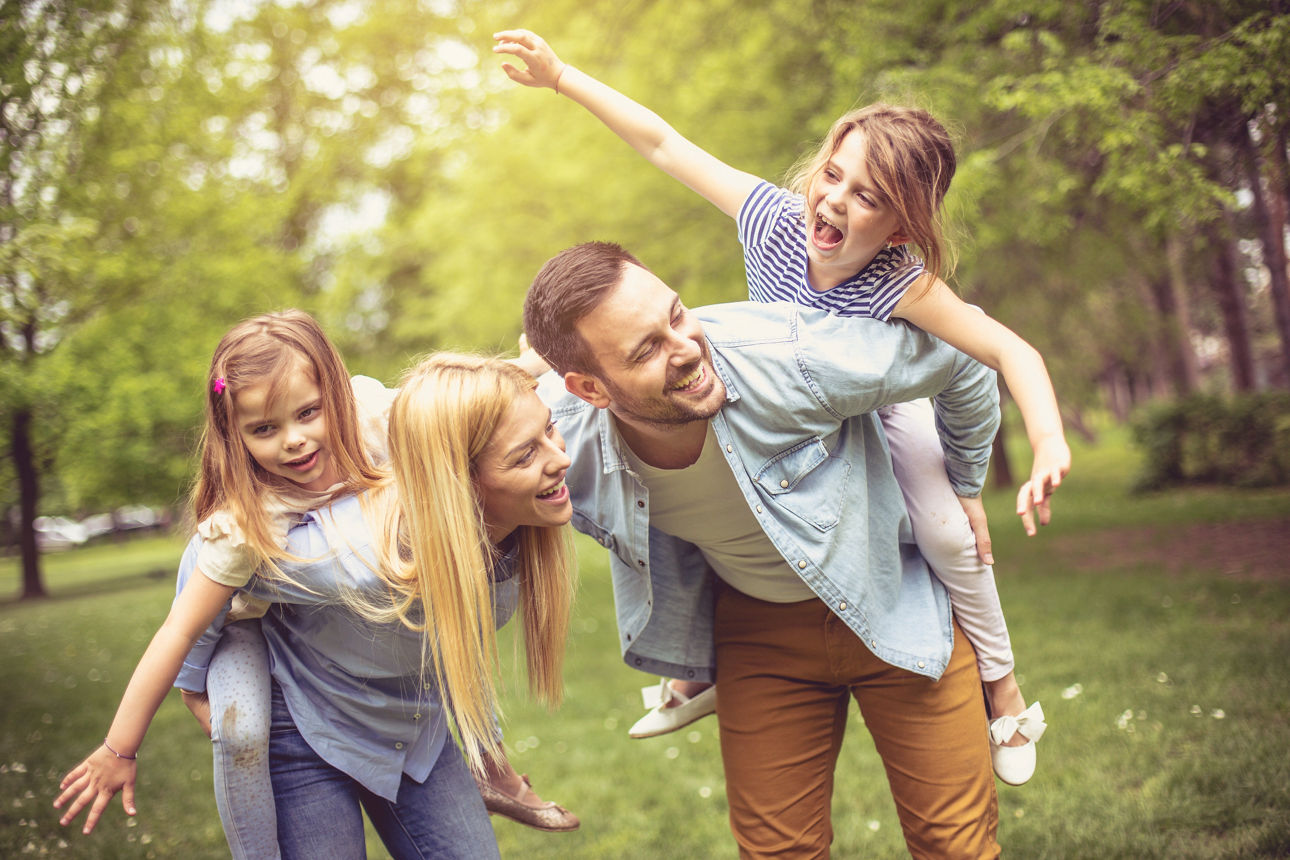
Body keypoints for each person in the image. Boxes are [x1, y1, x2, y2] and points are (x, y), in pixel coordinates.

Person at [494, 30, 1063, 783]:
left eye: (867, 197)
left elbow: (1003, 351)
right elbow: (665, 144)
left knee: (951, 539)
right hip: (776, 405)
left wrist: (1022, 454)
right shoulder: (772, 219)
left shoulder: (904, 284)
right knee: (700, 509)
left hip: (876, 405)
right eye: (834, 174)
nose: (833, 199)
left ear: (898, 227)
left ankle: (1003, 689)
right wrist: (564, 77)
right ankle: (699, 673)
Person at [521, 240, 1014, 857]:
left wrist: (964, 480)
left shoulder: (788, 355)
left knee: (956, 848)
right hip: (760, 637)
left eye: (676, 315)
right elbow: (457, 447)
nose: (686, 349)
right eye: (646, 349)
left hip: (895, 600)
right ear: (590, 388)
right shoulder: (561, 443)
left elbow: (964, 354)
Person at [51, 312, 574, 850]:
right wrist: (124, 745)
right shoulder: (251, 521)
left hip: (406, 717)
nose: (294, 441)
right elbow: (180, 627)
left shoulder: (372, 415)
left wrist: (533, 363)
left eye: (308, 413)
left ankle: (494, 767)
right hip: (301, 724)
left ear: (335, 394)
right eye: (263, 429)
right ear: (235, 435)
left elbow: (467, 409)